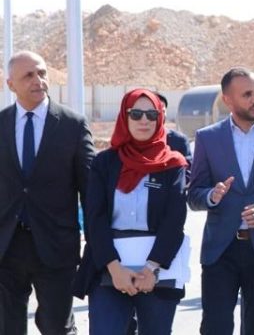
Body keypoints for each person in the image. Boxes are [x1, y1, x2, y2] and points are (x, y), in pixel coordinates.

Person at [72, 88, 189, 334]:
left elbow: (174, 220)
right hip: (109, 268)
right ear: (124, 117)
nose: (144, 120)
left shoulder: (173, 164)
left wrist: (151, 269)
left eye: (151, 114)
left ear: (160, 118)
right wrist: (115, 269)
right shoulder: (105, 162)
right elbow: (95, 218)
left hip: (157, 272)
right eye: (136, 114)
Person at [187, 67, 254, 335]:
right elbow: (194, 195)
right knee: (215, 327)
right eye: (247, 94)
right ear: (227, 100)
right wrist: (212, 196)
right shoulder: (208, 138)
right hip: (221, 251)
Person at [0, 50, 95, 334]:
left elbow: (89, 189)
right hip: (6, 247)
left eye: (42, 73)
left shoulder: (72, 125)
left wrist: (94, 244)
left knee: (57, 327)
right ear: (11, 84)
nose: (38, 80)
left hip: (56, 247)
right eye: (28, 75)